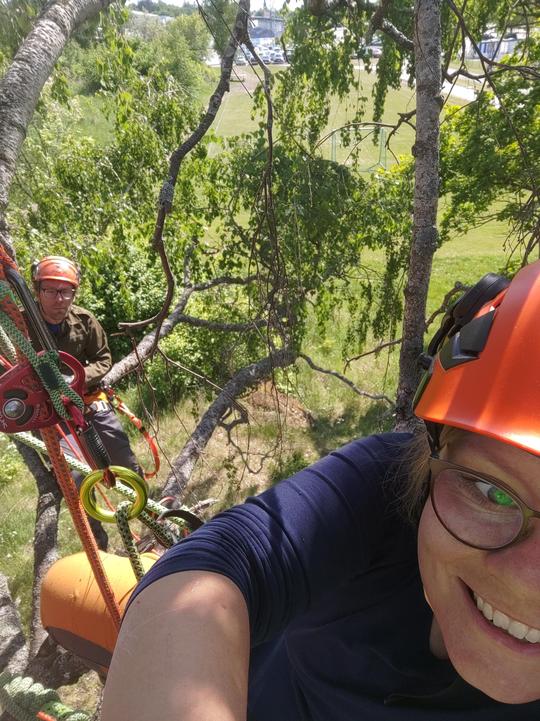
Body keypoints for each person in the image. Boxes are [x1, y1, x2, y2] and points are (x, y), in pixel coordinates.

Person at [101, 260, 540, 720]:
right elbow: (224, 559)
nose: (531, 584)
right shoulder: (387, 489)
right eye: (492, 493)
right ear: (430, 454)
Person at [30, 256, 142, 547]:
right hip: (48, 412)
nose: (59, 299)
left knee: (121, 453)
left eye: (65, 291)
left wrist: (76, 379)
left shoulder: (84, 321)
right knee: (76, 478)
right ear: (37, 291)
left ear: (74, 293)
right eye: (50, 291)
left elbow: (103, 358)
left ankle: (149, 514)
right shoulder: (23, 324)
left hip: (86, 398)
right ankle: (99, 545)